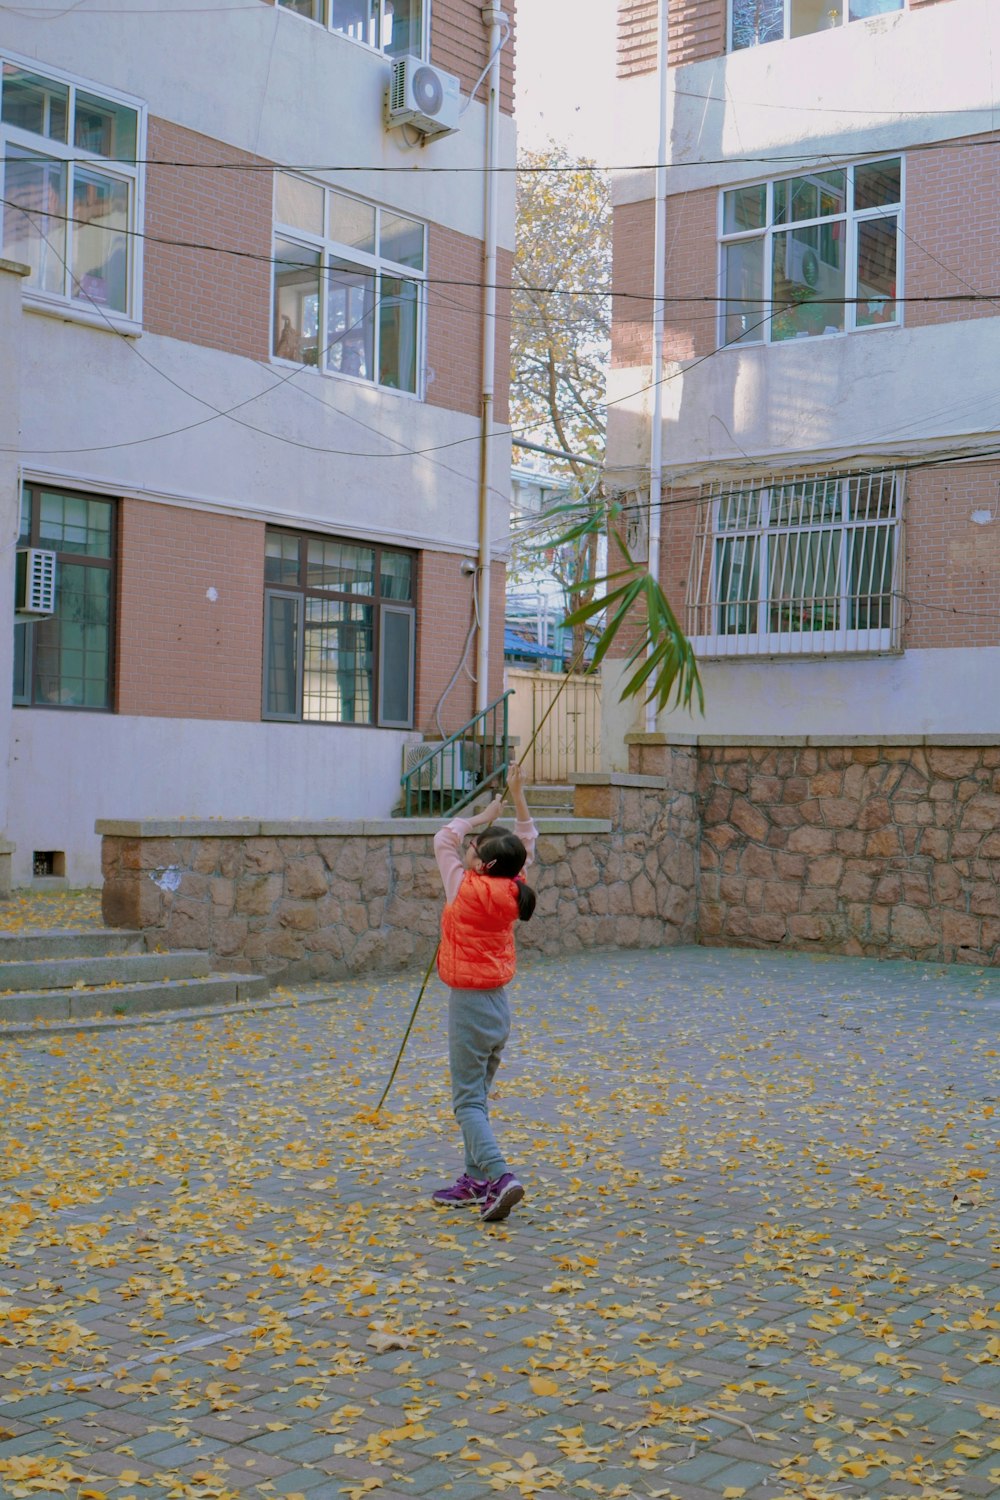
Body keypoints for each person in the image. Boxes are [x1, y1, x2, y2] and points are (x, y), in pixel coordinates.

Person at [431, 762, 538, 1223]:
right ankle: (475, 1179)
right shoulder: (515, 889)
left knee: (467, 1101)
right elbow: (526, 842)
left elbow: (442, 838)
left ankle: (498, 1176)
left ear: (479, 862)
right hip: (498, 1007)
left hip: (470, 1006)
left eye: (474, 848)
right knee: (477, 1095)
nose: (468, 848)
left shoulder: (463, 889)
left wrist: (479, 815)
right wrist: (516, 798)